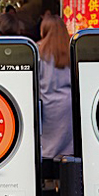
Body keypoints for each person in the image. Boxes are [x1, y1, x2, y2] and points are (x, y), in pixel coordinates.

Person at [37, 15, 74, 157]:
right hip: (68, 107)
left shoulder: (38, 51)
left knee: (47, 151)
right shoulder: (71, 50)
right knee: (68, 151)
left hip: (46, 106)